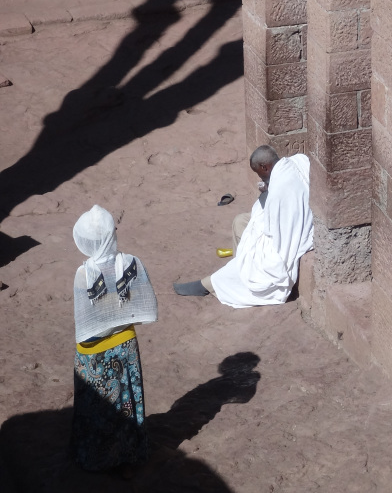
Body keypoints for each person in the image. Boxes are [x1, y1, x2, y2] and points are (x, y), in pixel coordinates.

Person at [71, 205, 158, 473]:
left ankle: (95, 459)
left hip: (92, 351)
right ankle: (127, 456)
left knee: (96, 406)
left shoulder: (84, 275)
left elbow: (86, 321)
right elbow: (141, 301)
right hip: (125, 344)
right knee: (127, 403)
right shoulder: (131, 264)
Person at [173, 146, 313, 308]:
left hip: (286, 233)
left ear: (265, 167)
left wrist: (258, 228)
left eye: (259, 173)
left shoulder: (281, 188)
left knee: (255, 250)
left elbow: (278, 231)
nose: (259, 176)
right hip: (281, 218)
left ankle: (209, 284)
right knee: (240, 222)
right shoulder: (297, 160)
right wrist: (268, 188)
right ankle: (240, 267)